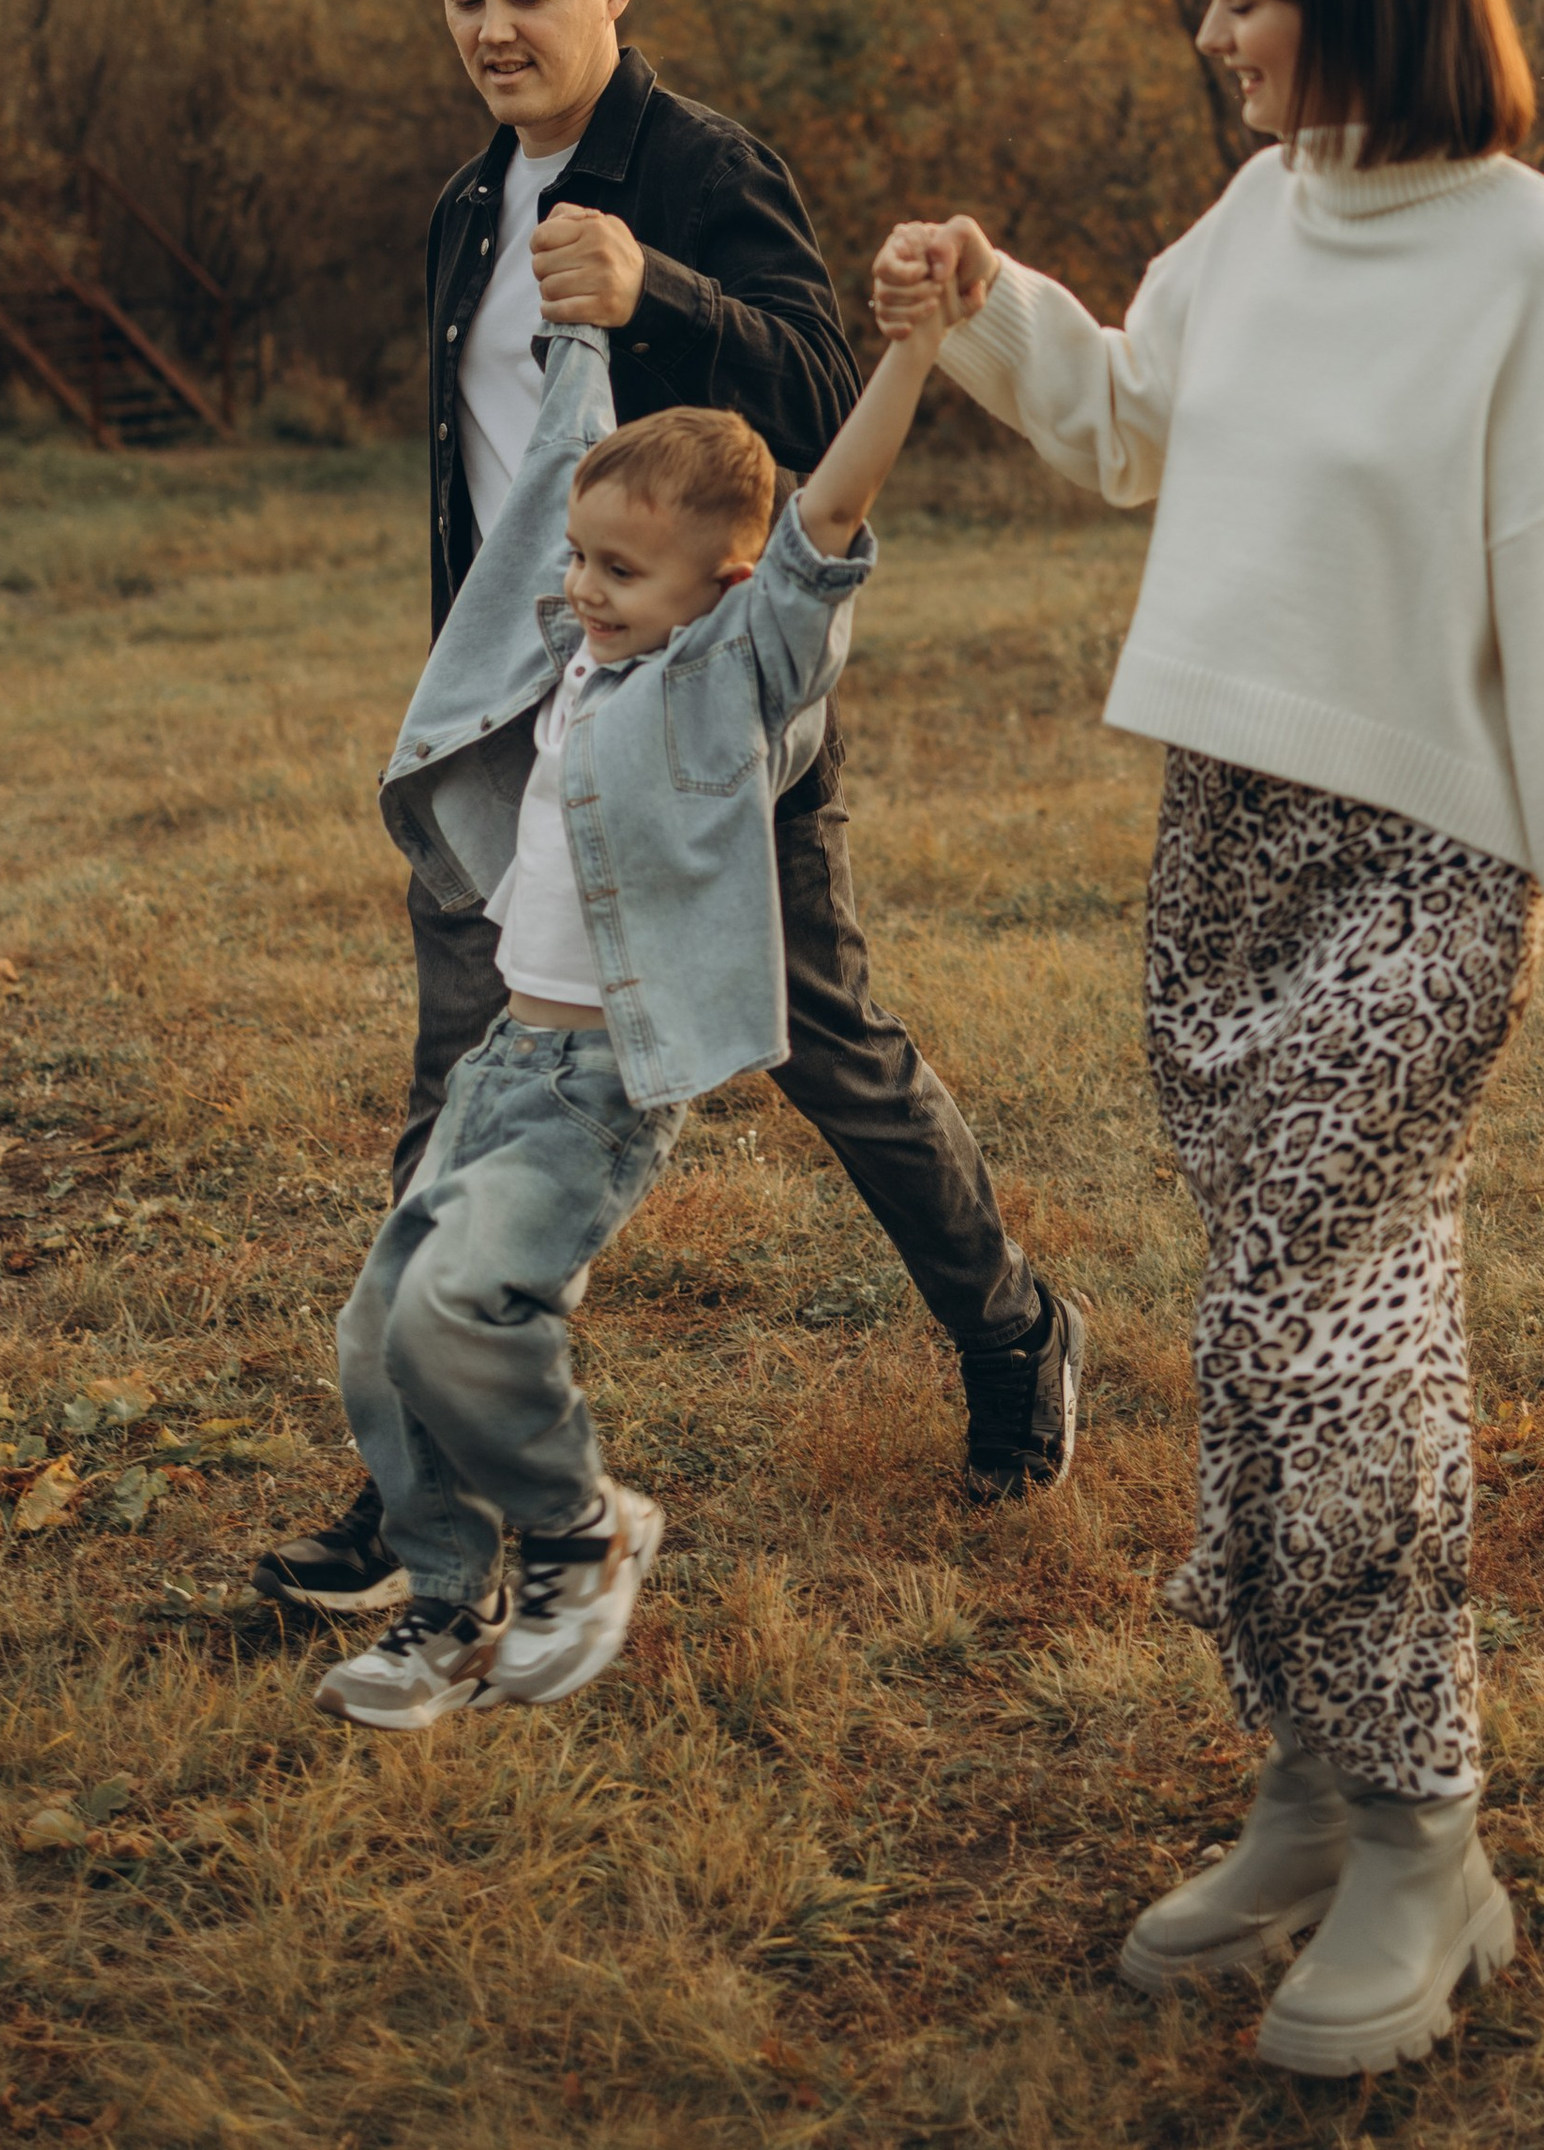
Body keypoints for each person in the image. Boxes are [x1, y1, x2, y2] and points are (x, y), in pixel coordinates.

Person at [871, 0, 1544, 2085]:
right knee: (1259, 1319)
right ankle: (1312, 1780)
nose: (1207, 31)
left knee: (1333, 1315)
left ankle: (1429, 1832)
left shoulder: (1532, 260)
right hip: (1219, 832)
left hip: (1421, 859)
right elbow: (1130, 425)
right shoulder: (1260, 214)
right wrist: (989, 299)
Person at [258, 0, 1072, 1620]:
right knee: (458, 1096)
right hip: (524, 723)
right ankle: (421, 1502)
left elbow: (814, 382)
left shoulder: (701, 171)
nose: (491, 26)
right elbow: (476, 489)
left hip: (708, 718)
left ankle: (1014, 1331)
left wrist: (659, 299)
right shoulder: (463, 212)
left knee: (822, 1048)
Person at [319, 240, 1044, 1729]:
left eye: (619, 571)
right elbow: (550, 504)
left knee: (467, 1309)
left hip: (596, 1088)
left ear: (723, 587)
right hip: (502, 1070)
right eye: (584, 563)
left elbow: (829, 512)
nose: (581, 590)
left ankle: (586, 1531)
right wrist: (578, 337)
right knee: (379, 1339)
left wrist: (911, 351)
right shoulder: (580, 646)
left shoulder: (734, 671)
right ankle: (450, 1615)